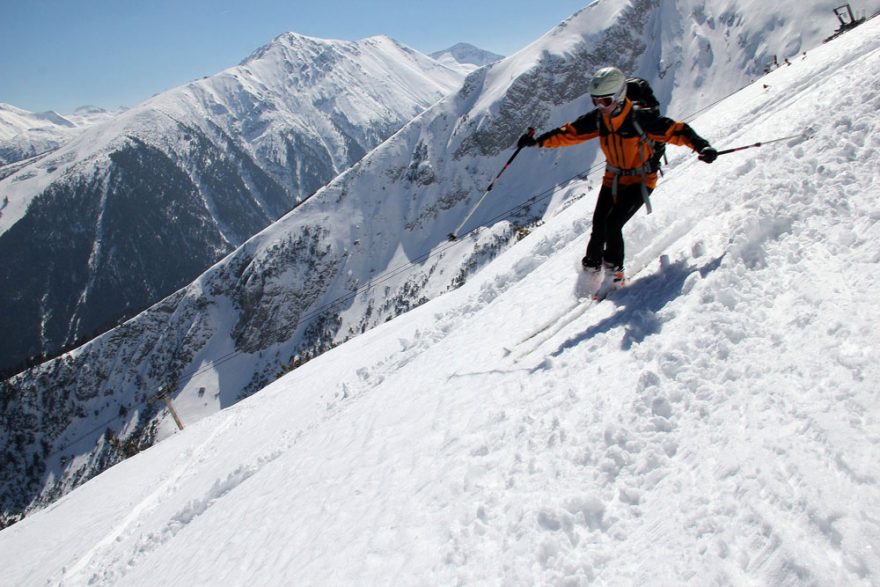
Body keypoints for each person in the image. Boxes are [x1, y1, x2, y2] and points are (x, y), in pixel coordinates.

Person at [517, 66, 717, 295]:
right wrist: (536, 142)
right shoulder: (599, 120)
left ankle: (614, 276)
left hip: (641, 180)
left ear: (620, 96)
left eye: (605, 101)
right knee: (598, 226)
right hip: (613, 177)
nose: (600, 107)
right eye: (595, 102)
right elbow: (568, 133)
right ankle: (590, 271)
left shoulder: (640, 120)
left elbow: (678, 131)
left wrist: (702, 146)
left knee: (612, 225)